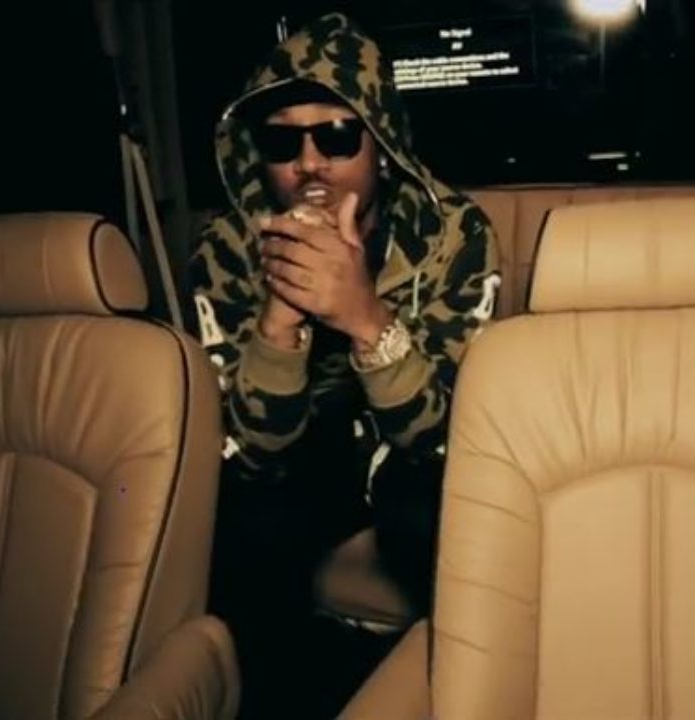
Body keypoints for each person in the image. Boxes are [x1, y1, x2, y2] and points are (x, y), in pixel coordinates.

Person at [188, 12, 500, 716]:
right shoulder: (228, 250)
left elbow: (445, 438)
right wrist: (280, 317)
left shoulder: (453, 237)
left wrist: (363, 316)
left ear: (380, 147)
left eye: (335, 135)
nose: (309, 163)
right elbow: (255, 455)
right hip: (304, 462)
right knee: (243, 525)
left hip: (409, 459)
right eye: (282, 141)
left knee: (430, 510)